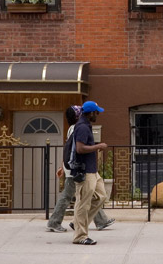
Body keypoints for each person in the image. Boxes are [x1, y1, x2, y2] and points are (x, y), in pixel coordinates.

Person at [46, 105, 115, 233]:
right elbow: (74, 149)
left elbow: (69, 149)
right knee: (72, 196)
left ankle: (100, 220)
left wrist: (62, 165)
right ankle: (54, 222)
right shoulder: (77, 128)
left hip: (75, 168)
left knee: (91, 195)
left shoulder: (74, 128)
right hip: (76, 169)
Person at [71, 100, 109, 245]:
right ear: (90, 113)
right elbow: (80, 148)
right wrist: (98, 146)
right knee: (83, 203)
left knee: (101, 196)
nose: (98, 114)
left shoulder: (86, 126)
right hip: (84, 171)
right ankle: (80, 236)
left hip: (92, 170)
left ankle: (77, 222)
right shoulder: (82, 128)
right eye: (96, 112)